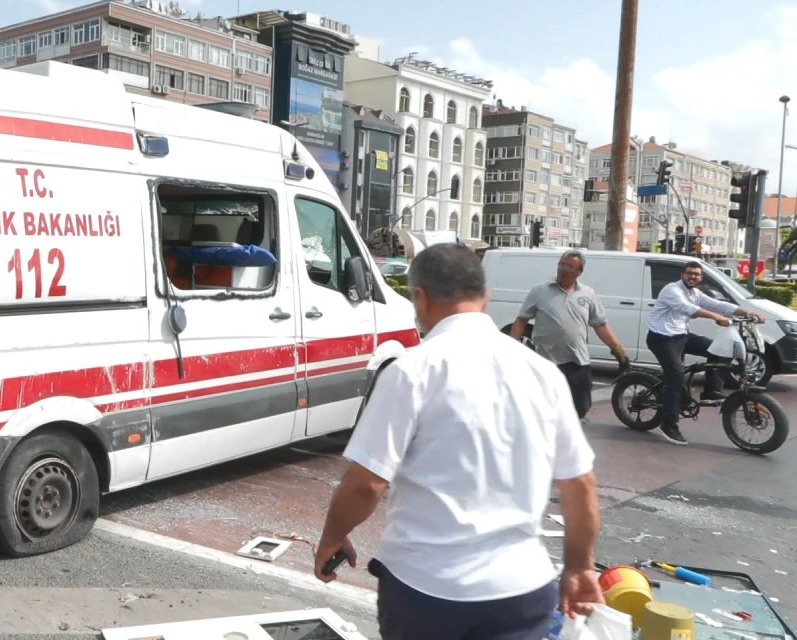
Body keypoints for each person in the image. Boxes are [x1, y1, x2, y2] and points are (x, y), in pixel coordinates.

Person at [314, 244, 603, 640]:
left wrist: (332, 536)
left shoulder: (411, 371)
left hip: (427, 591)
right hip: (521, 590)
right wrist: (579, 567)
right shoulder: (543, 373)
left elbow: (368, 483)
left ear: (420, 297)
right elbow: (580, 484)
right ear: (484, 297)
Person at [646, 261, 763, 446]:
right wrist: (716, 317)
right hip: (662, 339)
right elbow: (689, 309)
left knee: (717, 349)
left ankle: (711, 391)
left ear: (701, 278)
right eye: (689, 273)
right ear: (682, 274)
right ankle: (669, 424)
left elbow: (718, 304)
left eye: (697, 274)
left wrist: (750, 313)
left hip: (681, 336)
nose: (693, 276)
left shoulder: (695, 293)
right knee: (676, 378)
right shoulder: (672, 290)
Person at [511, 251, 630, 421]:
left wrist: (618, 350)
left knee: (582, 406)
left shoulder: (587, 294)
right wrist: (512, 346)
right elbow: (521, 320)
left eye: (569, 266)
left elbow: (600, 325)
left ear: (579, 272)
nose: (563, 269)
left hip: (578, 361)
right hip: (547, 361)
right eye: (561, 264)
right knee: (544, 407)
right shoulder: (539, 291)